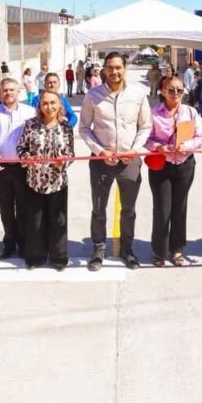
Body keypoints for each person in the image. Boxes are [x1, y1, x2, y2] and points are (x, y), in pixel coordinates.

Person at [79, 52, 152, 271]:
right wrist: (100, 151)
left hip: (130, 161)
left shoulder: (139, 95)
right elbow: (84, 128)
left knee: (128, 209)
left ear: (125, 69)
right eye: (110, 68)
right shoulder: (93, 95)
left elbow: (146, 126)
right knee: (99, 209)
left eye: (118, 67)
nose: (114, 72)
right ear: (104, 69)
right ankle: (98, 249)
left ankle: (127, 250)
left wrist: (134, 150)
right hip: (102, 162)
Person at [144, 75, 202, 267]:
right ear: (162, 91)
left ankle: (177, 249)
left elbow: (201, 137)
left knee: (180, 208)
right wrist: (158, 147)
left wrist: (187, 145)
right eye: (171, 90)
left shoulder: (191, 112)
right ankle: (159, 251)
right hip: (161, 166)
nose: (176, 93)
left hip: (184, 165)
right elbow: (145, 139)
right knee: (162, 209)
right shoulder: (153, 114)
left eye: (180, 90)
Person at [16, 90, 75, 270]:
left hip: (57, 182)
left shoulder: (66, 127)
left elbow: (71, 154)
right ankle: (35, 257)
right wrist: (28, 159)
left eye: (53, 103)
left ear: (59, 105)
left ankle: (58, 258)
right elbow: (21, 148)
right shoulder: (31, 125)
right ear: (40, 106)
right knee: (36, 221)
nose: (49, 107)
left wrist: (63, 162)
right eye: (45, 103)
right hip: (35, 181)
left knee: (58, 221)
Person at [0, 77, 37, 259]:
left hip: (23, 167)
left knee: (23, 207)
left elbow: (33, 138)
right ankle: (9, 243)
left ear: (19, 92)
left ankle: (23, 243)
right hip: (1, 168)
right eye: (5, 90)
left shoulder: (30, 112)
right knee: (5, 207)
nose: (8, 93)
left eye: (11, 90)